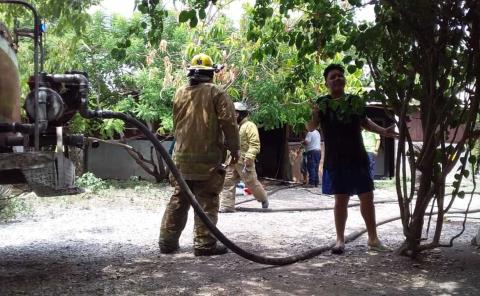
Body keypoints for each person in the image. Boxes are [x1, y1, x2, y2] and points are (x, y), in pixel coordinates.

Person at [311, 64, 398, 254]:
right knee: (340, 200)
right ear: (326, 83)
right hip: (336, 159)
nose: (337, 79)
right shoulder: (322, 103)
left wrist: (383, 131)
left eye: (340, 76)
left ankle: (373, 238)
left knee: (367, 197)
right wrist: (314, 113)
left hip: (357, 156)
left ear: (345, 80)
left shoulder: (355, 101)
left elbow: (364, 122)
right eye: (332, 77)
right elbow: (310, 127)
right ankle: (340, 240)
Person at [159, 53, 240, 256]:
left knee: (179, 200)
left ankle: (167, 243)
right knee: (207, 200)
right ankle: (204, 245)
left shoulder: (180, 93)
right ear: (211, 74)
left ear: (191, 75)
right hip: (207, 162)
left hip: (180, 160)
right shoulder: (216, 93)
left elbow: (177, 123)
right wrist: (234, 148)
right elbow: (229, 123)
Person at [219, 102, 269, 213]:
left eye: (236, 113)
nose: (233, 115)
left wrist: (250, 156)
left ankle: (263, 198)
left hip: (244, 161)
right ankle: (227, 206)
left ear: (241, 114)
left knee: (251, 182)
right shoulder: (232, 127)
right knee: (227, 182)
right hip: (231, 160)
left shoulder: (249, 126)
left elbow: (255, 143)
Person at [302, 122, 321, 187]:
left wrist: (302, 142)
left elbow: (307, 142)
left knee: (311, 167)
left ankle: (311, 183)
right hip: (318, 151)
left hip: (312, 152)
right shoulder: (317, 132)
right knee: (316, 167)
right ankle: (316, 182)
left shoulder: (310, 132)